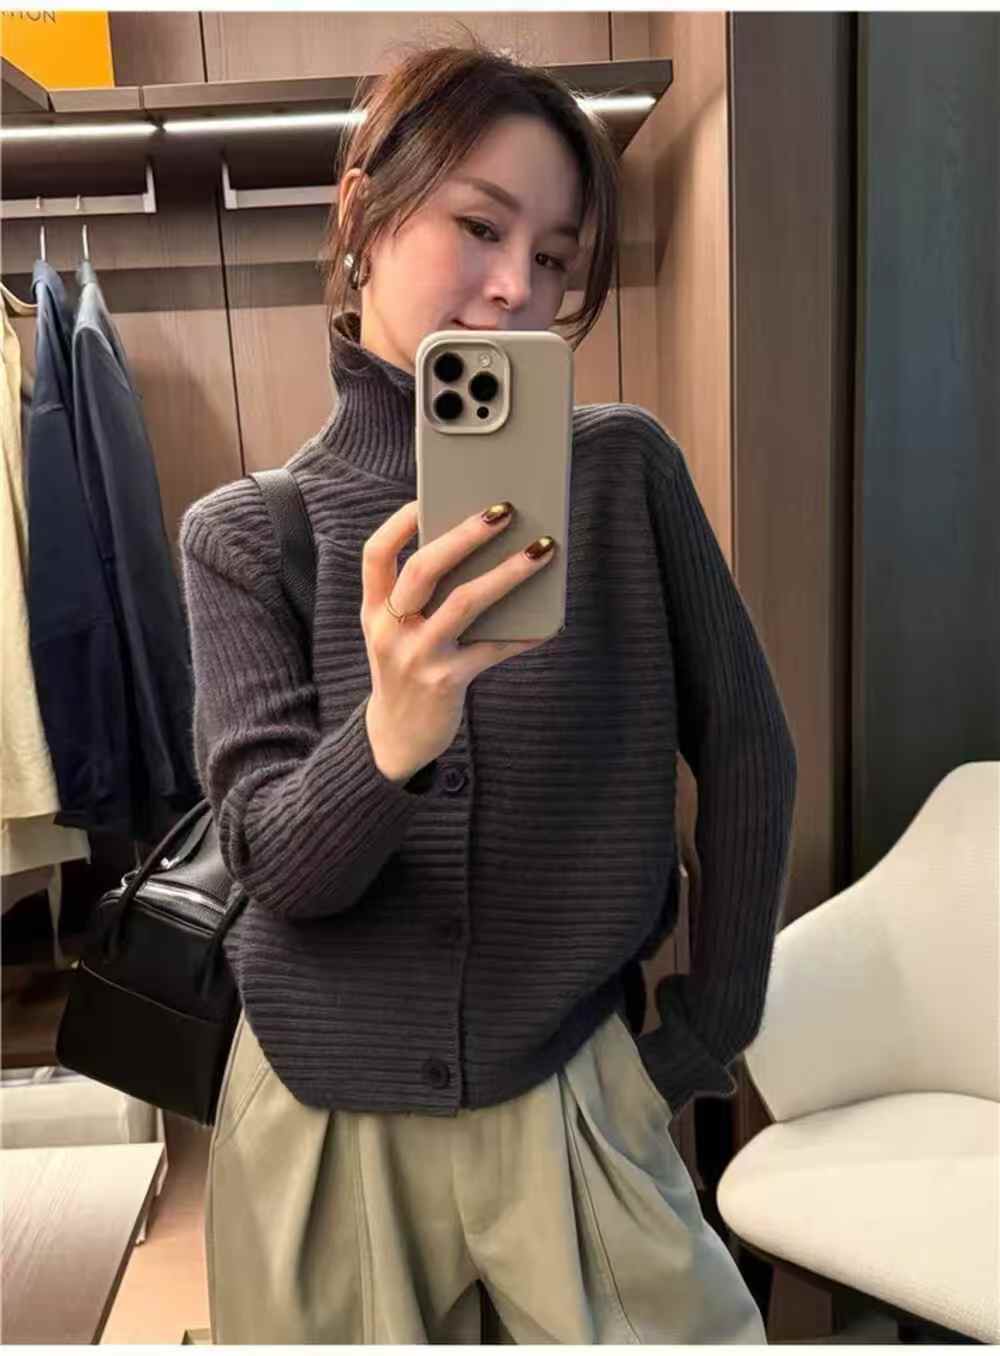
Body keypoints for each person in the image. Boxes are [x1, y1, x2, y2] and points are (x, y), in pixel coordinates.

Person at [180, 35, 797, 1345]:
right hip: (319, 1128)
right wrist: (390, 738)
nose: (518, 285)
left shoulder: (623, 475)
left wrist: (707, 1033)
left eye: (558, 256)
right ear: (363, 214)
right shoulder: (244, 536)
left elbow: (749, 747)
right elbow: (276, 869)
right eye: (480, 225)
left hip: (575, 1093)